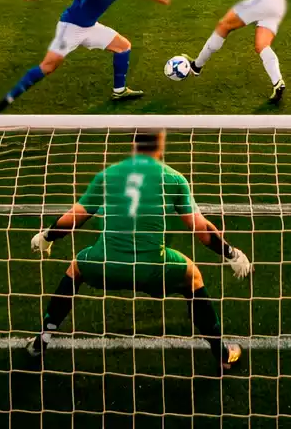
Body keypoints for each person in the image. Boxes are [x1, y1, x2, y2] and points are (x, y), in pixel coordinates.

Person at [27, 130, 251, 373]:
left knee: (75, 269)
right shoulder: (174, 179)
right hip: (152, 270)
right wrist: (231, 254)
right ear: (160, 145)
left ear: (133, 144)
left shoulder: (108, 175)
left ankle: (41, 342)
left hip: (105, 266)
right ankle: (222, 354)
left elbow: (73, 218)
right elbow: (202, 229)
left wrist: (46, 236)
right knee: (193, 277)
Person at [0, 0, 171, 113]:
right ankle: (7, 99)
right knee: (48, 66)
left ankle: (119, 91)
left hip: (90, 27)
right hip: (70, 27)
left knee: (123, 46)